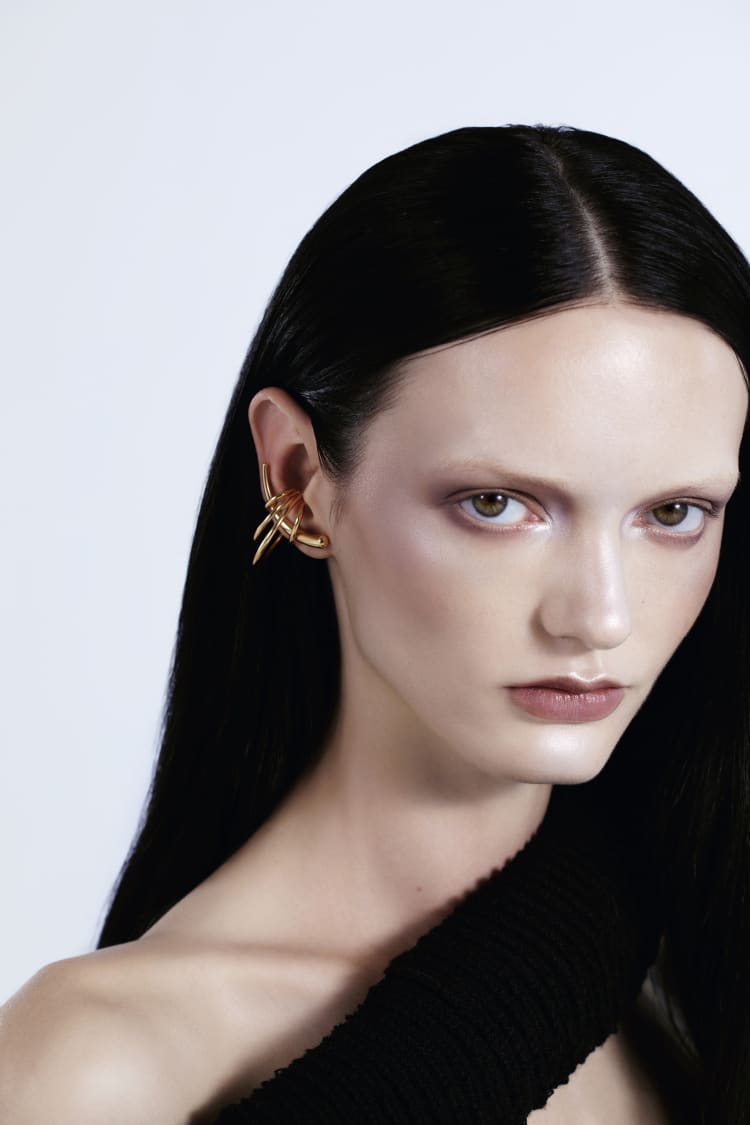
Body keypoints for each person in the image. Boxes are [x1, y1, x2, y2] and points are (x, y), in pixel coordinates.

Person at [1, 123, 748, 1124]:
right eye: (498, 504)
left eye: (673, 514)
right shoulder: (94, 1069)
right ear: (298, 478)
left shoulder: (698, 992)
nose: (599, 615)